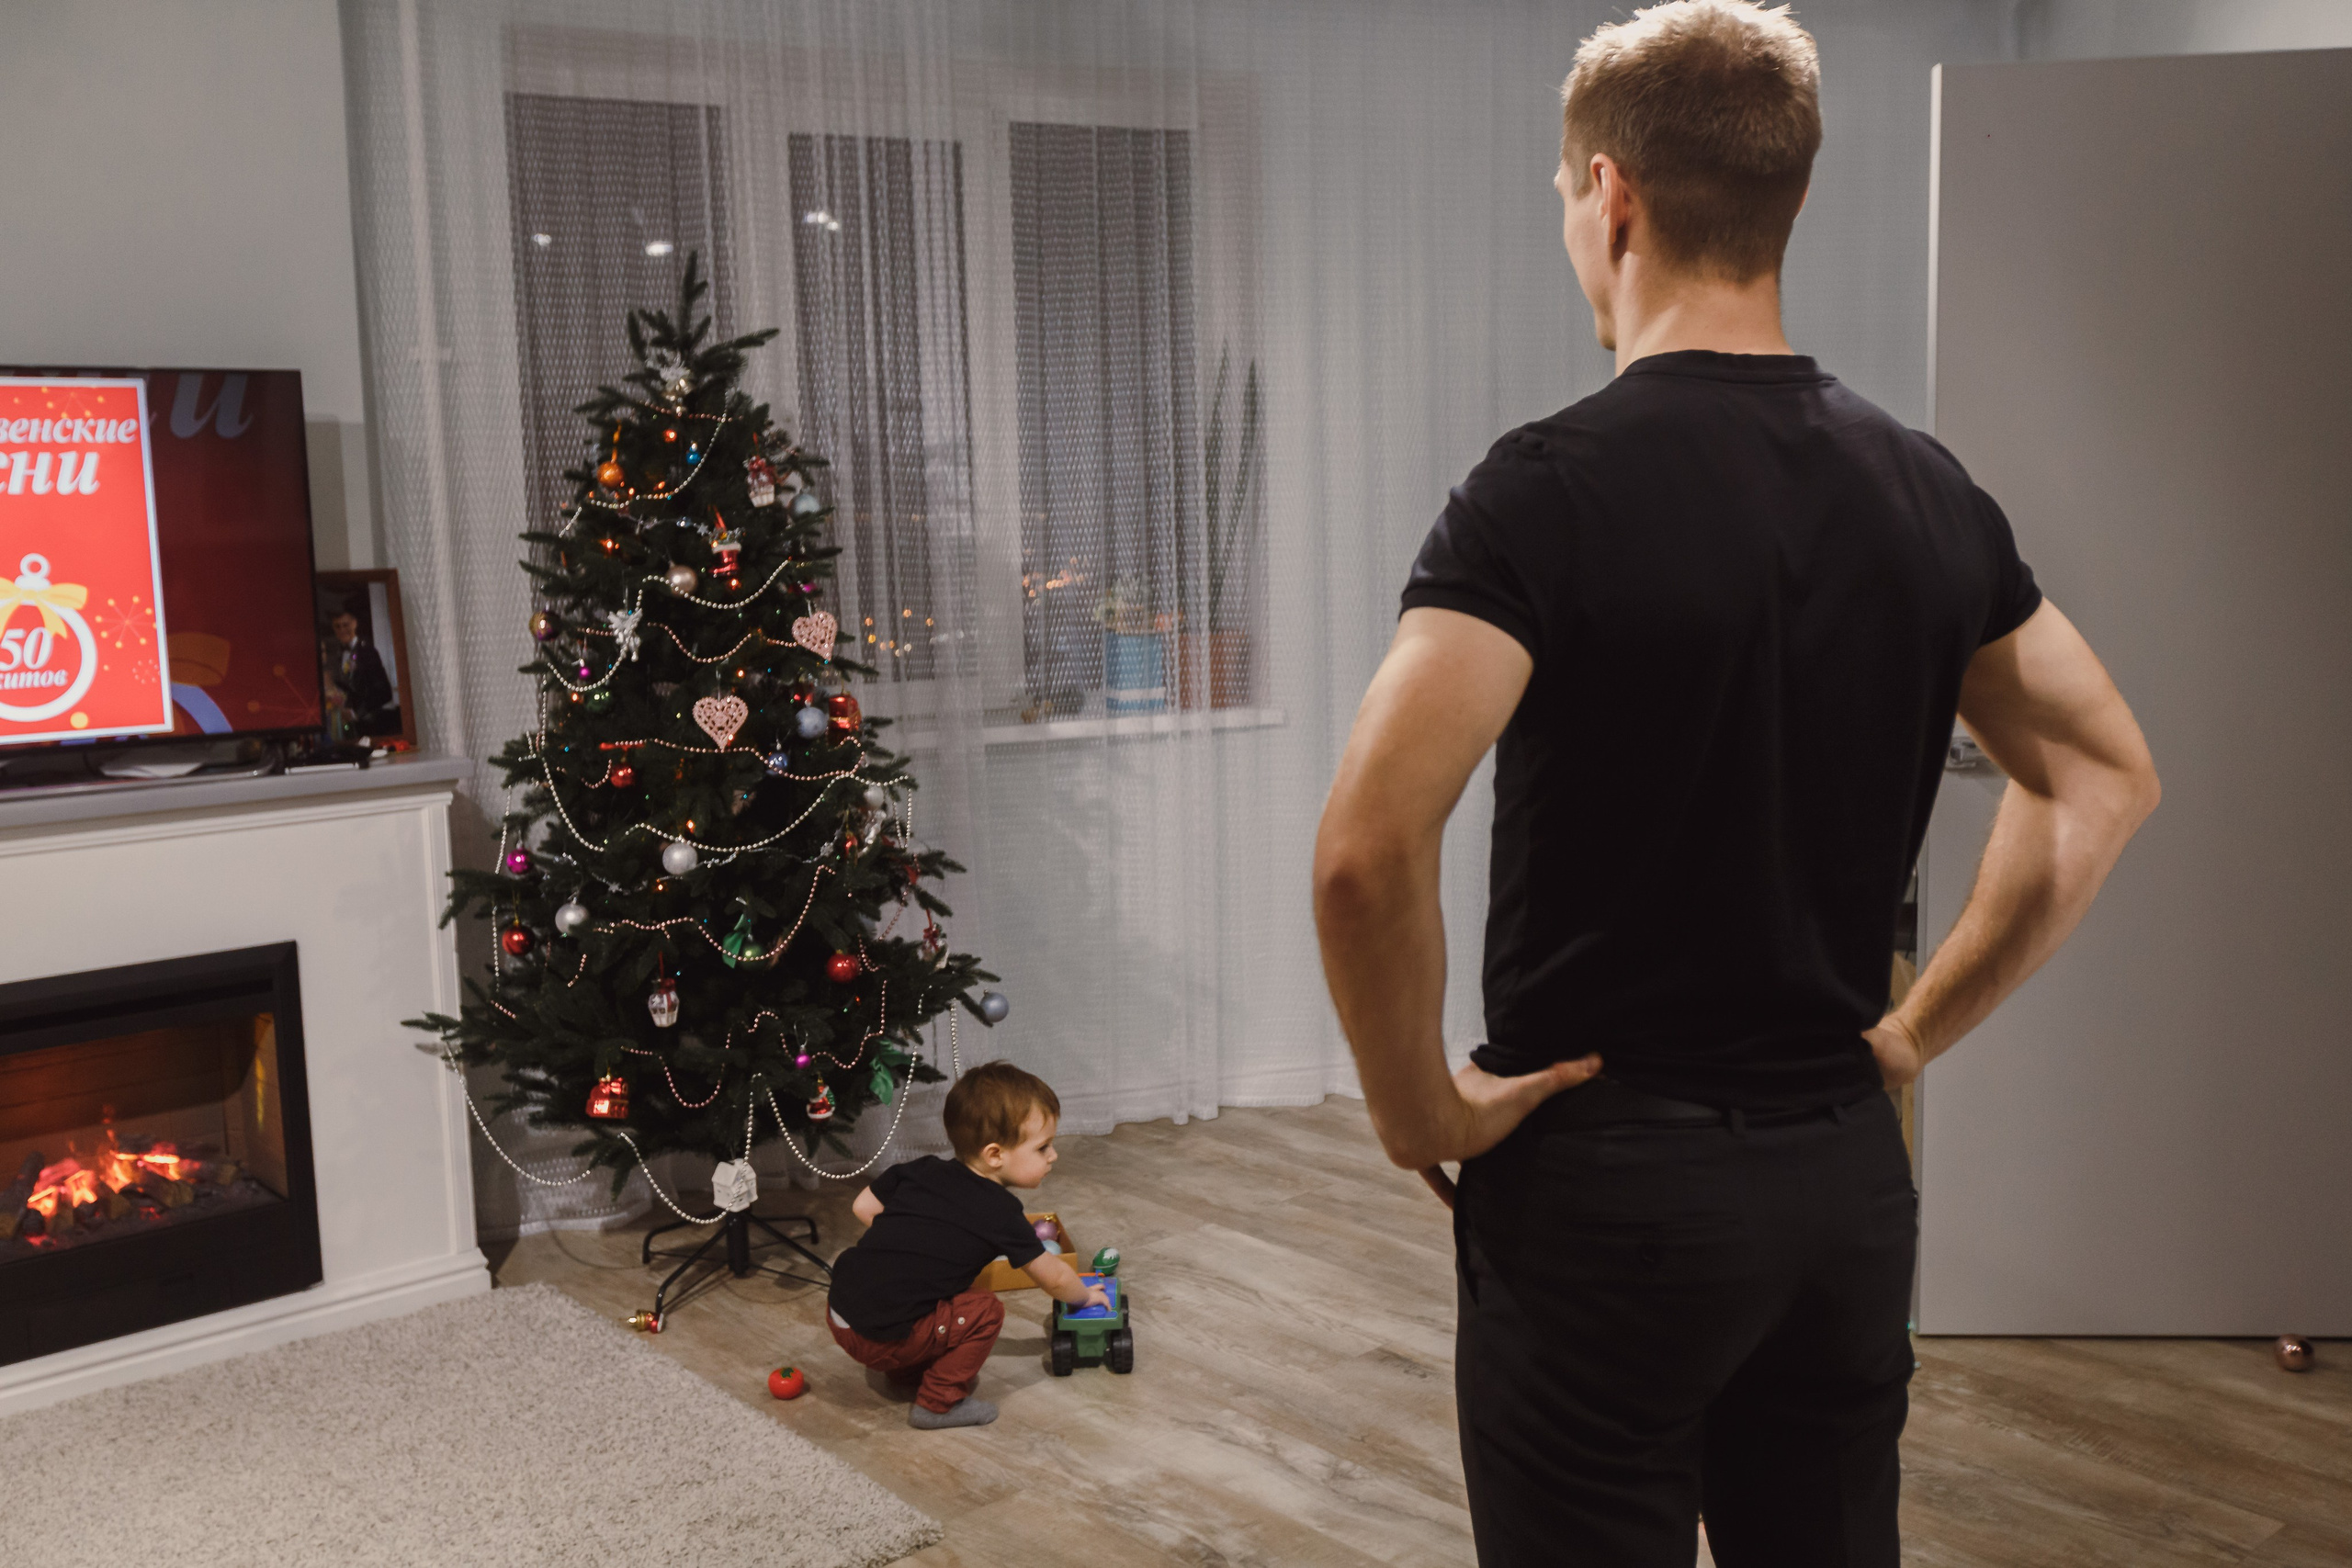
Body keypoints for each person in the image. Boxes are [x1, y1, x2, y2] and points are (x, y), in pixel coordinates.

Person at [1310, 2, 2160, 1562]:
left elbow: (1368, 847)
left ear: (1611, 194)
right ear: (1795, 196)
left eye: (1565, 193)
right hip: (1842, 1181)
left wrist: (1417, 1107)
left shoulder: (1541, 494)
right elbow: (2106, 776)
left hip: (1604, 1184)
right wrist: (1912, 1033)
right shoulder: (1928, 492)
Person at [826, 1061, 1107, 1429]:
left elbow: (862, 1206)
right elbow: (1053, 1278)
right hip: (880, 1339)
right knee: (984, 1310)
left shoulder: (922, 1169)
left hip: (840, 1312)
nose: (1053, 1156)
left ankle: (907, 1370)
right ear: (995, 1155)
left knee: (927, 1292)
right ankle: (937, 1403)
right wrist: (1084, 1298)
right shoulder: (1000, 1212)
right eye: (1043, 1148)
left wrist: (910, 1241)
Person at [325, 608, 395, 738]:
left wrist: (356, 713)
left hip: (369, 725)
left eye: (345, 625)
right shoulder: (336, 655)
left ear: (354, 624)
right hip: (346, 727)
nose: (342, 630)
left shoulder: (367, 651)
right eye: (337, 626)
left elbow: (384, 693)